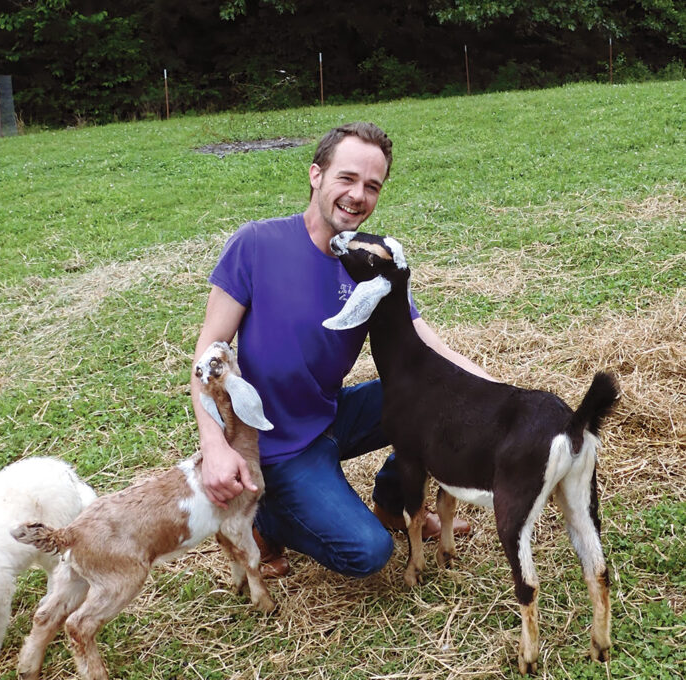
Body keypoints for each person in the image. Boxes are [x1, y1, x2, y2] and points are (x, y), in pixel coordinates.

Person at [191, 121, 491, 579]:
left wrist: (499, 393)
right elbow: (205, 357)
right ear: (316, 175)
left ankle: (394, 502)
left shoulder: (369, 262)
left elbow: (428, 344)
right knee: (368, 553)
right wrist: (214, 446)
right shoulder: (256, 244)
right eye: (347, 179)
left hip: (332, 415)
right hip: (276, 446)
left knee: (440, 393)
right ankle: (266, 516)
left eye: (372, 186)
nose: (358, 196)